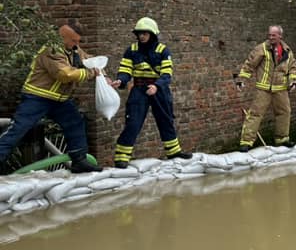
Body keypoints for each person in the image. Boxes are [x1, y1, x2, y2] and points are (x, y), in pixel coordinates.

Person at [0, 19, 102, 173]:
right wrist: (90, 73)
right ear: (62, 37)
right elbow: (63, 74)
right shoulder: (51, 50)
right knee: (19, 128)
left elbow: (89, 60)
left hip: (59, 100)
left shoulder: (74, 49)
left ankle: (79, 160)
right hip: (37, 97)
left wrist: (102, 74)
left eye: (78, 41)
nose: (76, 44)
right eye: (73, 40)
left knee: (75, 122)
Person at [111, 17, 190, 167]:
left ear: (152, 34)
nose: (141, 36)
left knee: (165, 120)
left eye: (145, 33)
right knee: (133, 122)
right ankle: (121, 157)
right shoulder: (131, 50)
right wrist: (121, 80)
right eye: (139, 33)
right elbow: (125, 70)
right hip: (139, 90)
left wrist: (157, 86)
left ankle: (173, 151)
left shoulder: (163, 50)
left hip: (158, 90)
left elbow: (167, 74)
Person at [236, 25, 296, 151]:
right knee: (255, 114)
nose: (270, 37)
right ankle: (246, 142)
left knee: (284, 113)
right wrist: (241, 79)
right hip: (263, 89)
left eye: (273, 35)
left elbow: (293, 68)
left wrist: (293, 82)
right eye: (269, 35)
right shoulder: (262, 48)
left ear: (280, 36)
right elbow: (249, 64)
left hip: (281, 88)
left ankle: (282, 139)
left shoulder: (287, 50)